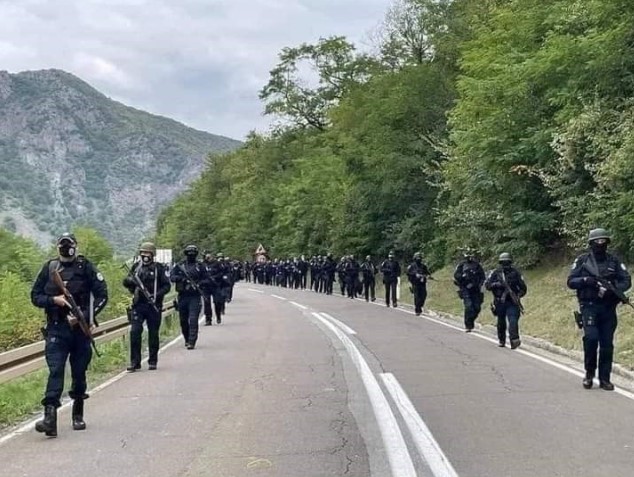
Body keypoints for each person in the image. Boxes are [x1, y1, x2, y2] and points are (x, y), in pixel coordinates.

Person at [30, 232, 108, 436]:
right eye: (62, 245)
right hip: (56, 327)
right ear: (57, 247)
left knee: (79, 372)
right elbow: (35, 296)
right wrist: (54, 300)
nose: (66, 248)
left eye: (69, 244)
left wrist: (86, 316)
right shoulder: (50, 268)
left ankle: (78, 414)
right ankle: (50, 419)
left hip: (80, 330)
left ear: (76, 246)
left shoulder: (86, 267)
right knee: (55, 370)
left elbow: (102, 295)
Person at [567, 228, 631, 390]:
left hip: (608, 307)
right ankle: (589, 373)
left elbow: (626, 281)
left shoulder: (614, 261)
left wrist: (614, 289)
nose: (600, 244)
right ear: (591, 243)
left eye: (603, 241)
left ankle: (605, 378)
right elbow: (571, 281)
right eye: (597, 241)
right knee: (591, 338)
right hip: (589, 306)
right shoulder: (582, 261)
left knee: (607, 345)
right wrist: (586, 280)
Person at [123, 242, 170, 371]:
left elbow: (167, 286)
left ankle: (152, 361)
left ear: (152, 254)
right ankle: (135, 362)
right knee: (135, 332)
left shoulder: (159, 268)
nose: (145, 256)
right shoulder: (136, 267)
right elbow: (126, 282)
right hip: (138, 305)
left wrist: (156, 295)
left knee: (153, 334)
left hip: (153, 306)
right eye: (143, 253)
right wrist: (131, 281)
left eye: (147, 253)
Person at [170, 245, 210, 349]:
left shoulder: (200, 266)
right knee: (183, 321)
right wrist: (182, 279)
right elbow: (172, 277)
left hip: (195, 296)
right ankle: (187, 339)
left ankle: (192, 341)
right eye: (189, 253)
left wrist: (199, 284)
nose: (191, 255)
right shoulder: (180, 266)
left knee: (193, 319)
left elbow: (207, 279)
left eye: (193, 253)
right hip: (182, 296)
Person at [485, 253, 527, 349]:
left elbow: (523, 288)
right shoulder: (496, 273)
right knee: (501, 322)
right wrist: (497, 285)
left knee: (513, 321)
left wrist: (517, 296)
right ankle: (502, 340)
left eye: (507, 262)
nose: (505, 265)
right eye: (503, 263)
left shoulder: (516, 273)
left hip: (512, 302)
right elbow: (487, 285)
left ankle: (514, 339)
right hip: (500, 302)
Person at [453, 248, 486, 332]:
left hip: (475, 290)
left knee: (477, 308)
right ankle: (468, 325)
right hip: (465, 289)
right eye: (468, 255)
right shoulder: (461, 265)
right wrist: (463, 276)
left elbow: (482, 277)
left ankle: (471, 321)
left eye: (470, 255)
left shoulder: (477, 266)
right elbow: (456, 276)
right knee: (469, 307)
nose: (469, 257)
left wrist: (480, 284)